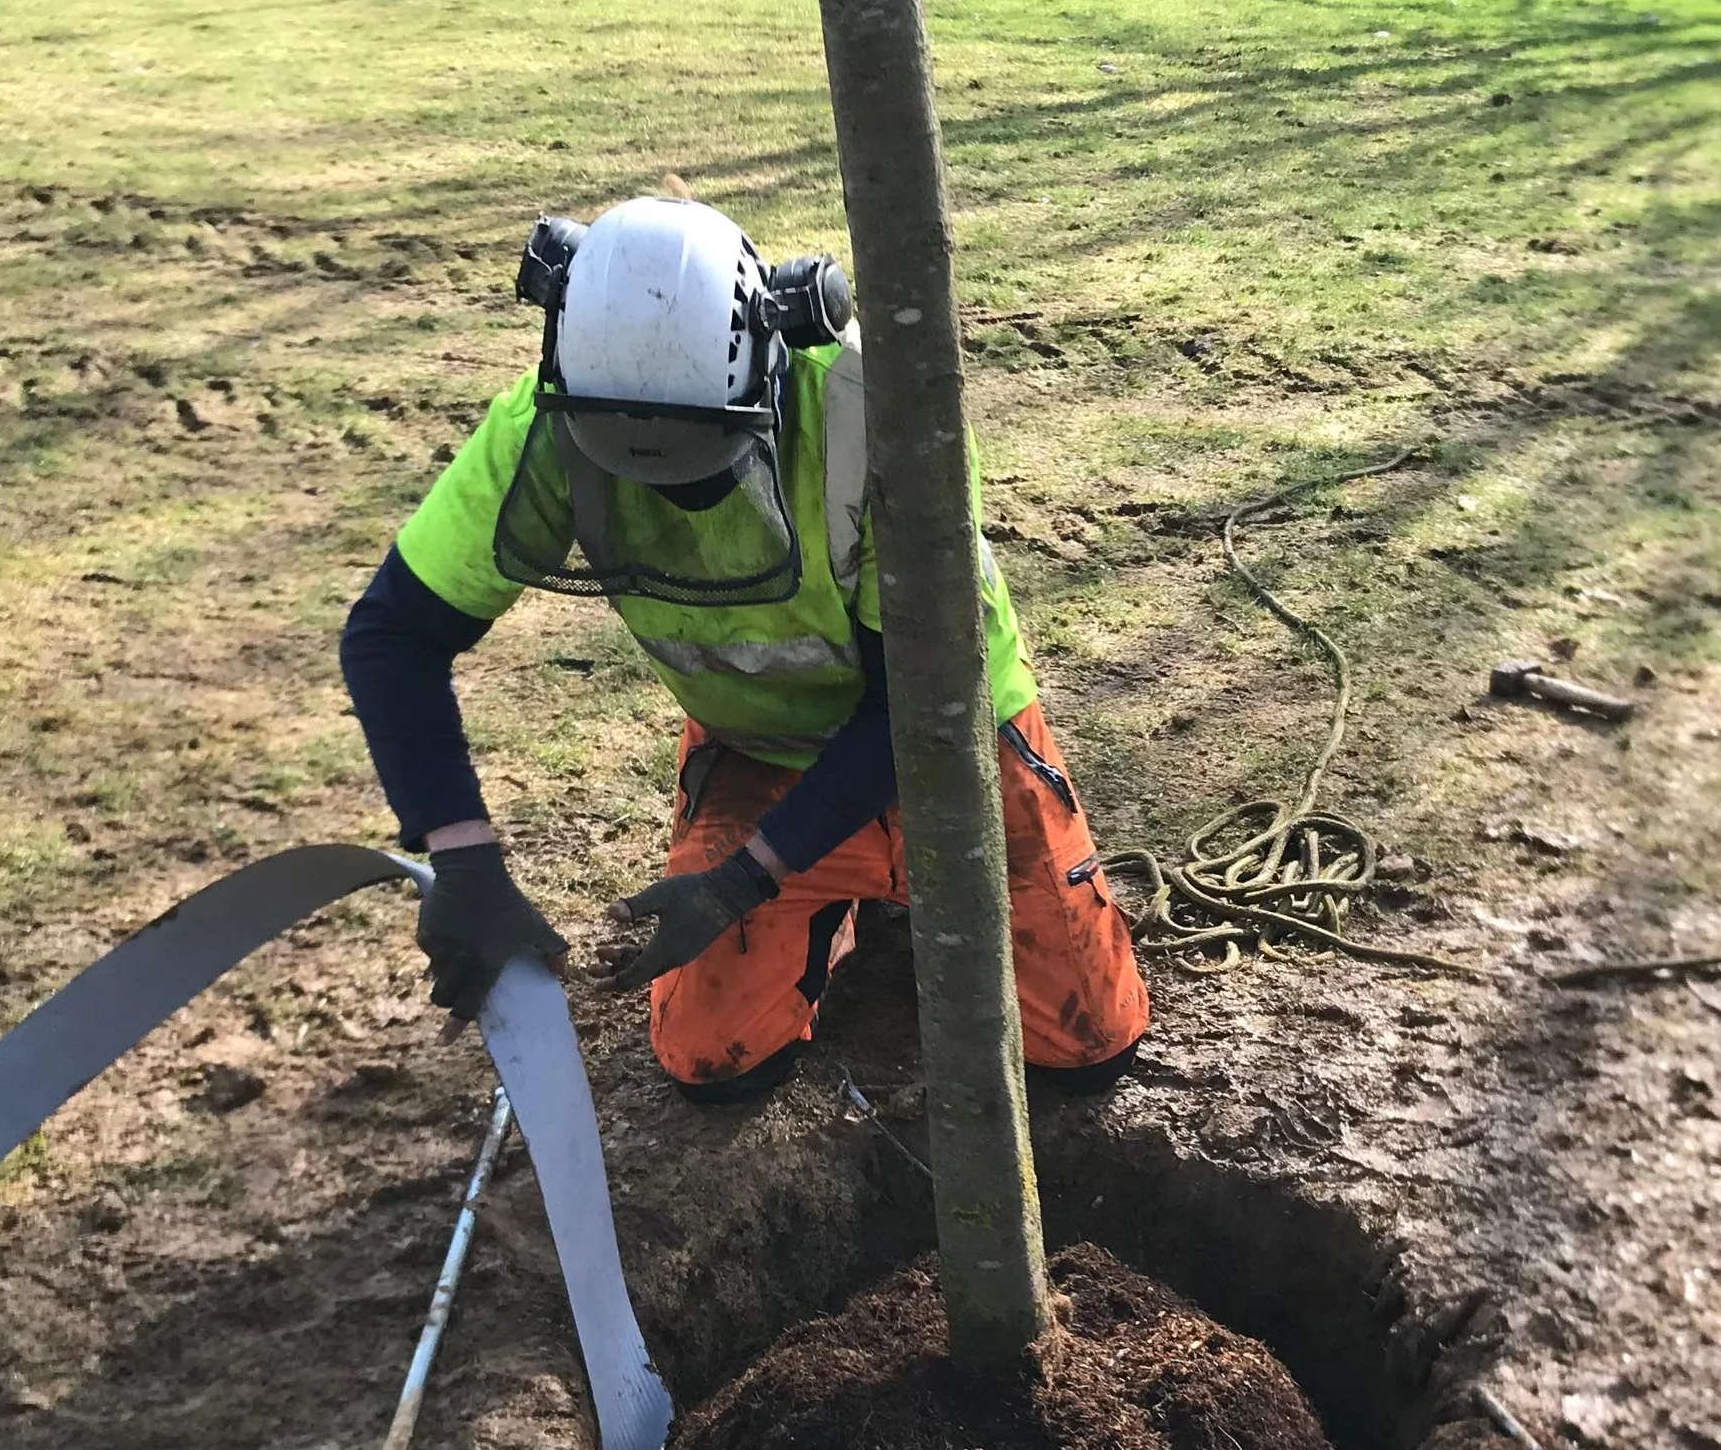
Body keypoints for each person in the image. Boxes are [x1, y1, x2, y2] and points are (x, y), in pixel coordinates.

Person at [340, 194, 1149, 1101]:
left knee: (1087, 1048)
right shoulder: (547, 427)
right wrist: (465, 862)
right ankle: (831, 906)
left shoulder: (870, 427)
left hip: (957, 739)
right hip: (762, 752)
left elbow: (914, 708)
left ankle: (851, 882)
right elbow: (392, 636)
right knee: (710, 1058)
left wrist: (747, 878)